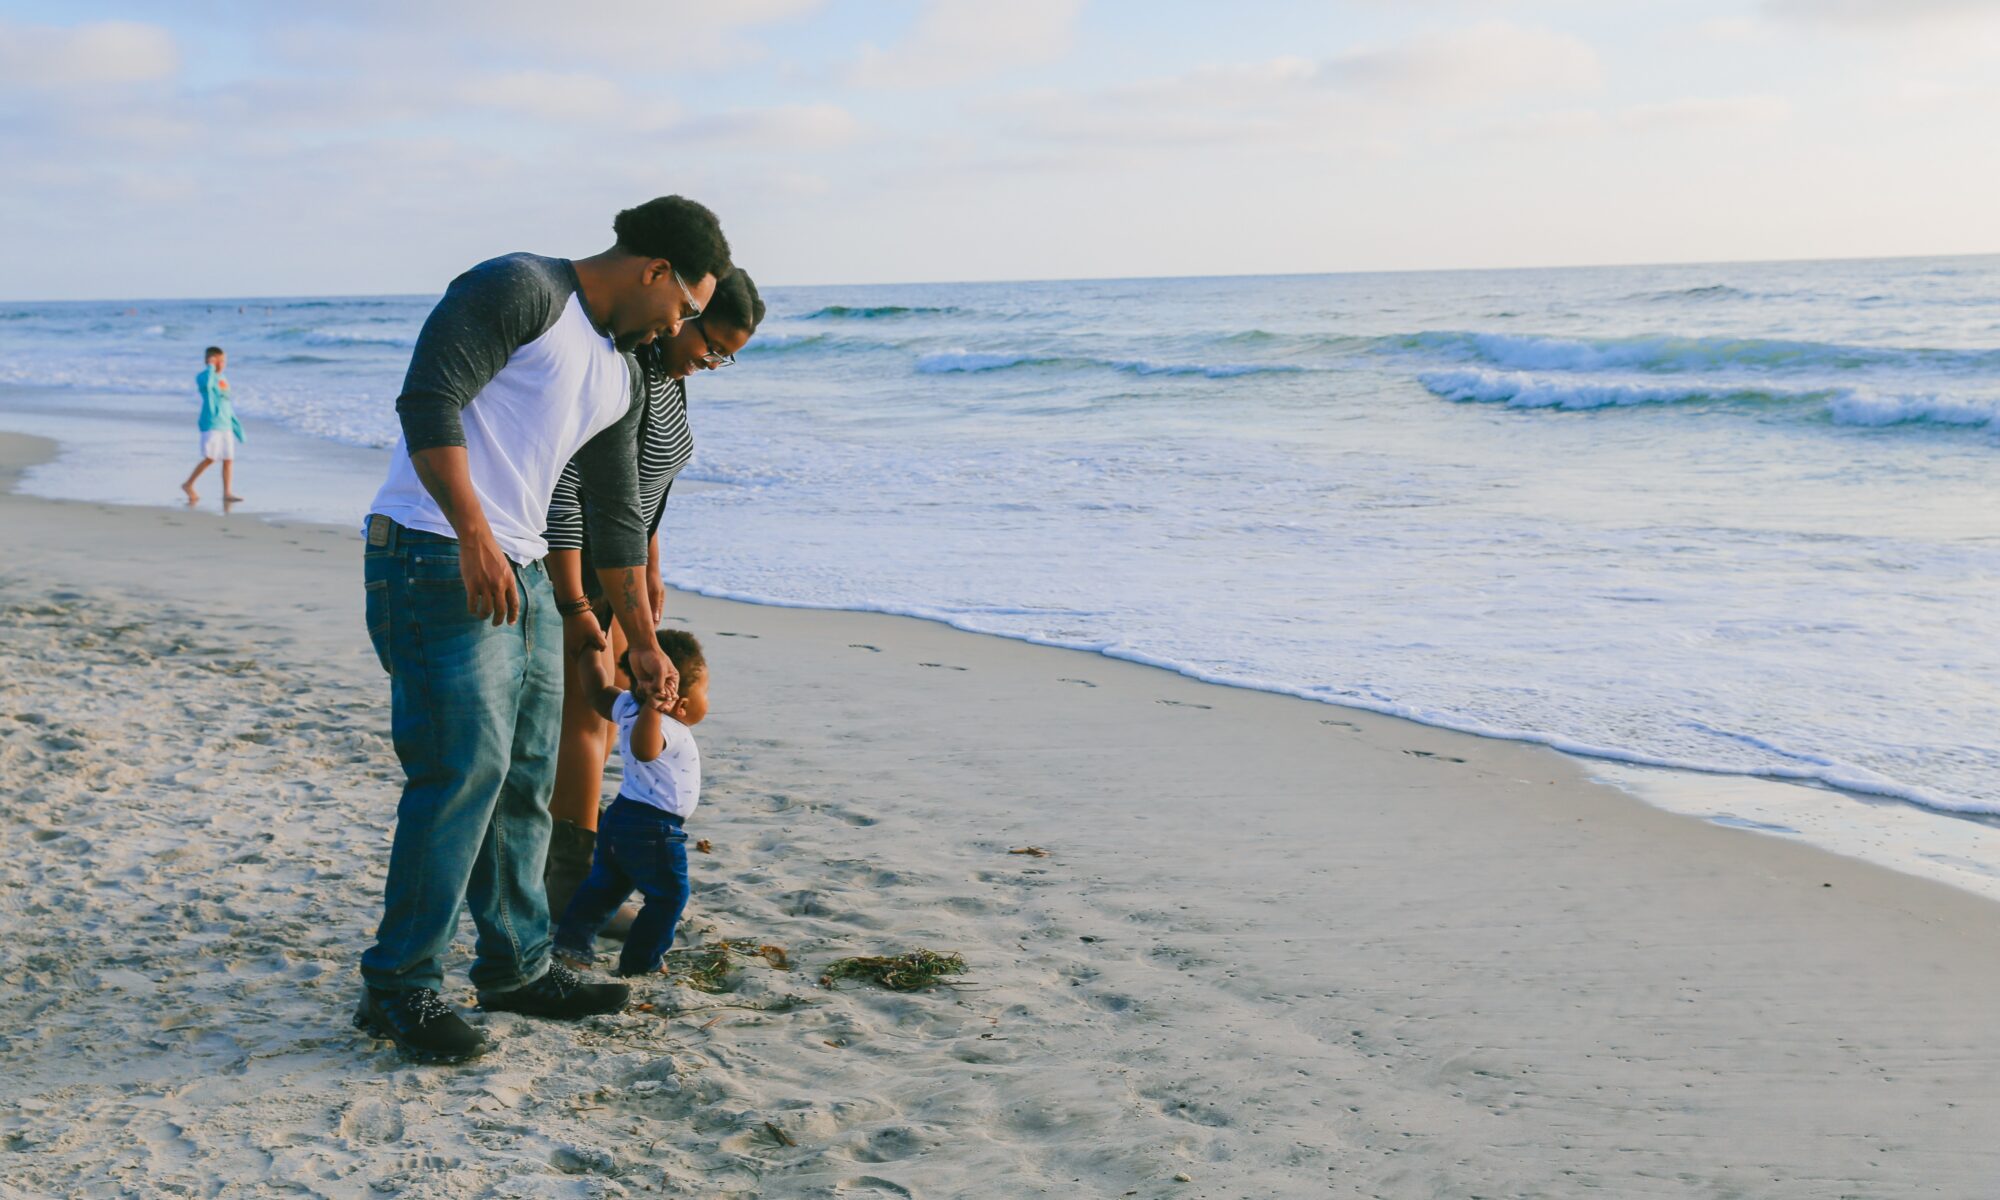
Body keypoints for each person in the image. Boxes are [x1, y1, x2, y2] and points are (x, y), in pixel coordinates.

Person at [352, 196, 732, 1065]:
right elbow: (429, 397)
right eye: (685, 308)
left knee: (525, 774)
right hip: (430, 549)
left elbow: (617, 511)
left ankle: (517, 965)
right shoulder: (521, 287)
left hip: (518, 566)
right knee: (459, 774)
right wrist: (476, 535)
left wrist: (637, 635)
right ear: (654, 272)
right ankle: (399, 987)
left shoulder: (622, 369)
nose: (682, 325)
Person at [541, 271, 766, 919]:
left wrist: (654, 566)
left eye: (728, 358)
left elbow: (647, 491)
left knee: (609, 724)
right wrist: (583, 592)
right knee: (590, 721)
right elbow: (581, 484)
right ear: (685, 311)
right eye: (712, 345)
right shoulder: (630, 371)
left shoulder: (670, 381)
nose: (712, 362)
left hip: (628, 568)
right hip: (586, 561)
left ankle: (579, 877)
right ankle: (568, 887)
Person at [553, 629, 709, 976]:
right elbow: (644, 749)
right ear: (681, 702)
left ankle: (571, 942)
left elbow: (596, 692)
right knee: (668, 897)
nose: (706, 699)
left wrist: (589, 653)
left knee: (604, 887)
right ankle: (641, 962)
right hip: (653, 829)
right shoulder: (662, 725)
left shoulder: (627, 705)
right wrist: (654, 711)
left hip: (621, 819)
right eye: (705, 692)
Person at [181, 346, 245, 504]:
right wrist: (210, 367)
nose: (221, 364)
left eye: (223, 361)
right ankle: (188, 484)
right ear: (208, 361)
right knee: (210, 458)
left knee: (228, 459)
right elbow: (208, 388)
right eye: (217, 361)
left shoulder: (223, 378)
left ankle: (227, 492)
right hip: (211, 423)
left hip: (226, 424)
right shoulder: (203, 377)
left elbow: (226, 402)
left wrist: (236, 425)